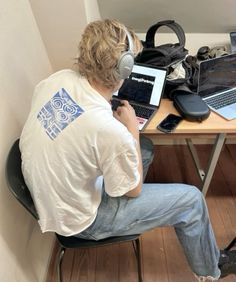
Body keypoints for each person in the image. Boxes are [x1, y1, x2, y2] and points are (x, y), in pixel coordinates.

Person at [20, 19, 235, 281]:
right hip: (82, 221)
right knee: (192, 200)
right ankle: (211, 270)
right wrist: (131, 127)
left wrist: (127, 137)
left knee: (143, 147)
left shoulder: (57, 79)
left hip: (53, 199)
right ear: (126, 67)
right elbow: (132, 188)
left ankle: (126, 185)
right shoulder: (109, 131)